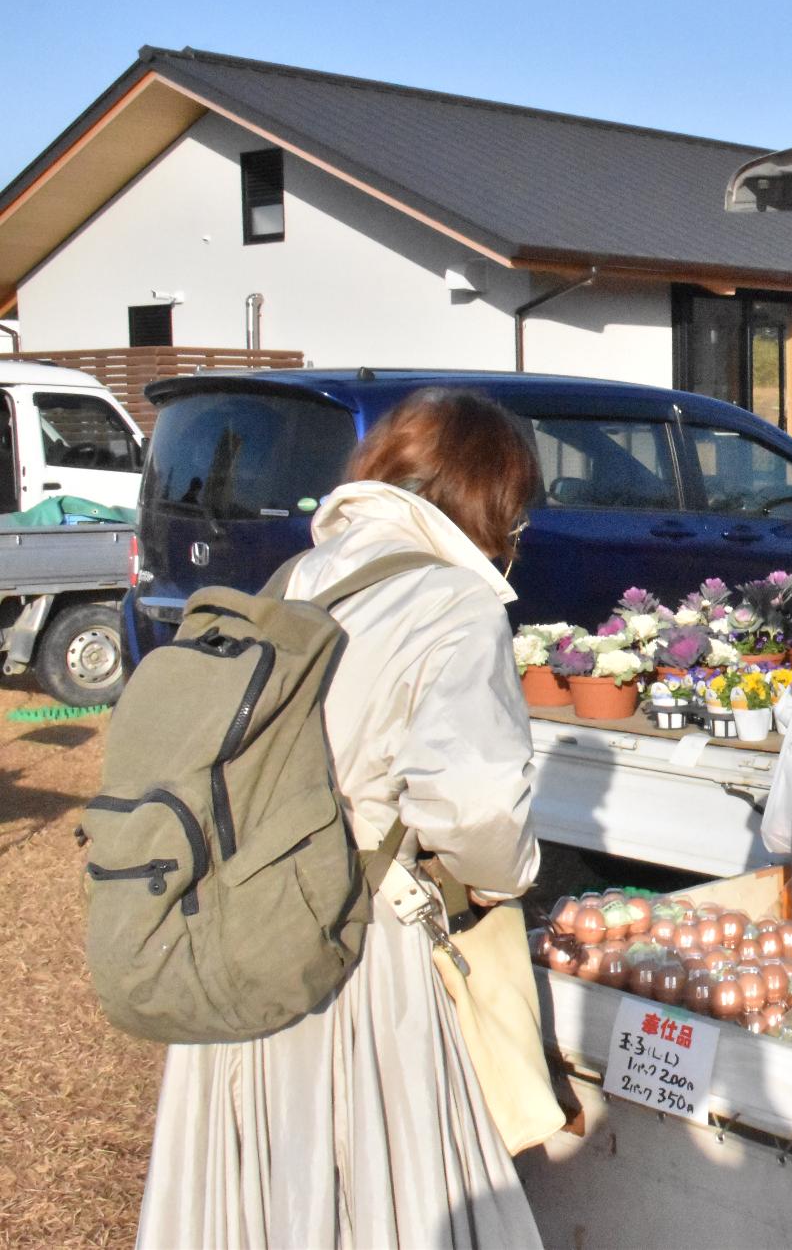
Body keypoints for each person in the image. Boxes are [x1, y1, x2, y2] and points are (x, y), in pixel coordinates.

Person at [138, 389, 547, 1248]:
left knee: (256, 1183)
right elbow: (475, 808)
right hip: (355, 942)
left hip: (242, 924)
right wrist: (505, 880)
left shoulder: (295, 577)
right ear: (491, 501)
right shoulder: (452, 601)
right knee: (376, 1176)